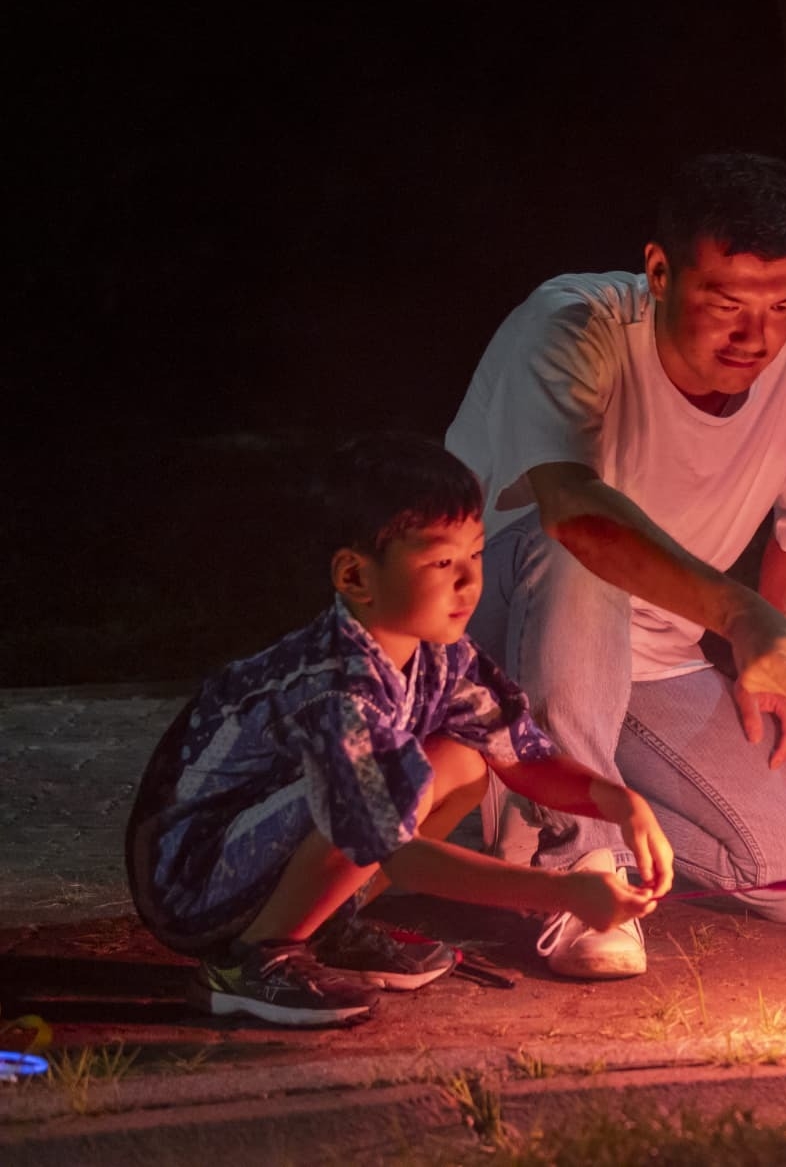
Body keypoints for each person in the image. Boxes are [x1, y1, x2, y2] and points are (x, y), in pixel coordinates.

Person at [447, 152, 786, 979]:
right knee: (583, 548)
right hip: (496, 634)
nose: (757, 337)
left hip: (653, 663)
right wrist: (739, 617)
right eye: (726, 303)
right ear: (660, 272)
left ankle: (533, 822)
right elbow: (573, 511)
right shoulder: (571, 326)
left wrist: (772, 663)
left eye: (782, 304)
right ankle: (576, 869)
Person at [126, 434, 676, 1028]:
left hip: (264, 845)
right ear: (355, 576)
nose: (468, 582)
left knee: (464, 761)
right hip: (195, 880)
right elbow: (402, 856)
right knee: (391, 786)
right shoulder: (338, 686)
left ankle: (321, 928)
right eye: (441, 563)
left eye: (475, 554)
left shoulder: (440, 656)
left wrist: (618, 802)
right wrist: (563, 893)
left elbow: (521, 756)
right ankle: (253, 961)